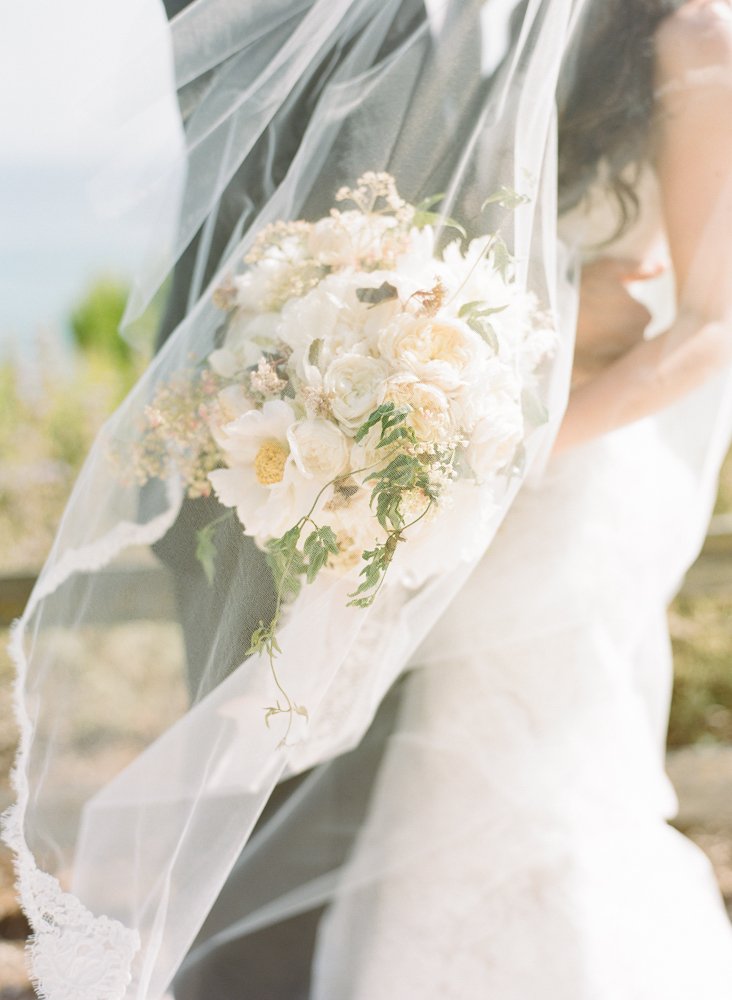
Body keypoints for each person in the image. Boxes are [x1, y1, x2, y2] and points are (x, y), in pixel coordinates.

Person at [5, 2, 732, 998]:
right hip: (484, 465)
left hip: (579, 476)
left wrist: (509, 449)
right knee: (440, 758)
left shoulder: (702, 36)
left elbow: (713, 325)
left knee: (550, 761)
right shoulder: (562, 35)